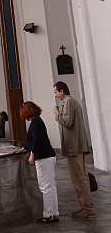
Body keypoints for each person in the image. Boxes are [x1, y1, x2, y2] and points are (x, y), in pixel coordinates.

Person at [54, 82, 94, 219]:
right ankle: (87, 207)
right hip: (77, 146)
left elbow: (68, 122)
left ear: (62, 91)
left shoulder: (69, 102)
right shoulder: (71, 102)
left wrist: (58, 115)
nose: (55, 95)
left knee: (79, 179)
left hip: (74, 147)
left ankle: (87, 209)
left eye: (56, 92)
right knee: (82, 178)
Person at [21, 101, 59, 225]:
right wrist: (26, 147)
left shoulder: (35, 122)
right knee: (51, 186)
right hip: (48, 156)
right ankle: (54, 213)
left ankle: (48, 215)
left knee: (45, 187)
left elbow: (37, 140)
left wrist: (32, 154)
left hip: (43, 157)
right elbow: (35, 140)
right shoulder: (38, 120)